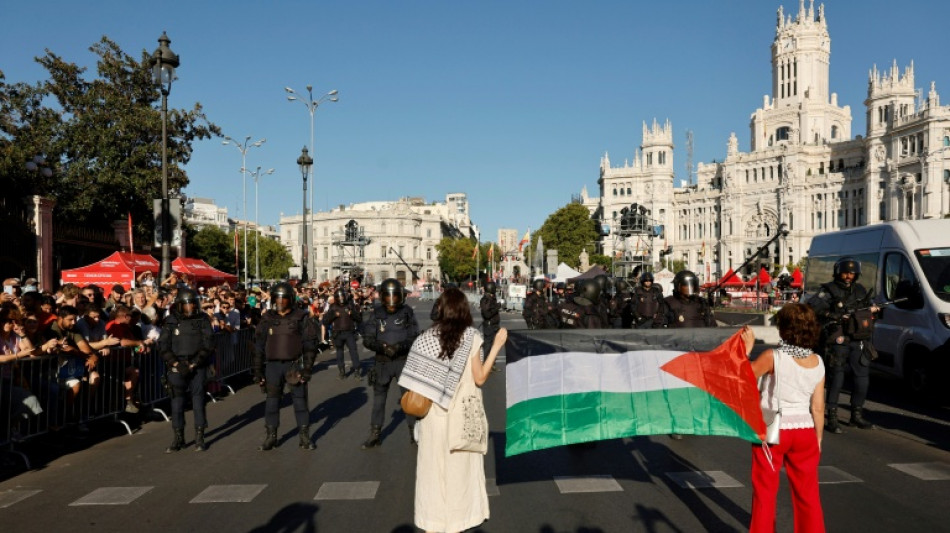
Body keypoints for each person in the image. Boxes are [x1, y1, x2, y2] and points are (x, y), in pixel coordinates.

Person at [398, 288, 506, 533]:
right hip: (461, 416)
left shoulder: (425, 339)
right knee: (460, 477)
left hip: (432, 417)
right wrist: (497, 346)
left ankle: (433, 525)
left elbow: (414, 379)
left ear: (441, 308)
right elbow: (480, 378)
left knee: (432, 475)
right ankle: (457, 525)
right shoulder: (471, 337)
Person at [742, 304, 826, 532]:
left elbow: (744, 378)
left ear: (785, 329)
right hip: (806, 431)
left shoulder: (773, 357)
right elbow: (818, 407)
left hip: (773, 431)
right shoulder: (818, 361)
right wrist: (818, 438)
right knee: (808, 495)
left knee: (765, 492)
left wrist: (747, 351)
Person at [807, 257, 879, 433]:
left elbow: (869, 308)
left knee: (862, 378)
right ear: (838, 273)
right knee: (837, 378)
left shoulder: (860, 290)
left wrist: (873, 310)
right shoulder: (828, 290)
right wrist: (834, 315)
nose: (848, 276)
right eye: (846, 273)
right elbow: (813, 308)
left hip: (858, 338)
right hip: (837, 339)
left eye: (852, 274)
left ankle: (856, 415)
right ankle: (832, 417)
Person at [253, 282, 319, 451]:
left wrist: (307, 369)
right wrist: (258, 371)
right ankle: (271, 436)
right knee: (272, 403)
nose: (280, 301)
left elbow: (310, 345)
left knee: (300, 402)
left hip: (293, 366)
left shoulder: (301, 317)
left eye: (284, 298)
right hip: (273, 367)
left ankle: (304, 437)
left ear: (290, 299)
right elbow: (259, 346)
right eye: (277, 298)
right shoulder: (267, 318)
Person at [360, 278, 420, 449]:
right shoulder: (377, 313)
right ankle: (375, 434)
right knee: (379, 401)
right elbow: (367, 339)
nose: (392, 299)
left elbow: (414, 336)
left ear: (401, 296)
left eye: (395, 296)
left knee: (408, 400)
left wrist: (400, 346)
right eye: (388, 296)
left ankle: (414, 433)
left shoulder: (407, 312)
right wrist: (382, 347)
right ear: (382, 297)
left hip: (402, 361)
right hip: (382, 362)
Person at [157, 289, 215, 452]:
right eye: (187, 304)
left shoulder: (202, 319)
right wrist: (175, 363)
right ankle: (178, 438)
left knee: (198, 401)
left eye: (192, 304)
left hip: (197, 365)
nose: (191, 307)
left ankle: (199, 437)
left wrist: (194, 363)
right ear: (180, 305)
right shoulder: (171, 321)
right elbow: (163, 345)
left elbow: (209, 343)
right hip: (177, 366)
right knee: (177, 403)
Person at [322, 287, 362, 380]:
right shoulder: (333, 307)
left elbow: (359, 319)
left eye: (342, 296)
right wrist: (333, 315)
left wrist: (352, 314)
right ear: (336, 298)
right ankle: (342, 372)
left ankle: (357, 371)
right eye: (339, 297)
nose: (341, 299)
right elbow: (325, 321)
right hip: (338, 333)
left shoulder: (350, 305)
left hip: (349, 332)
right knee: (339, 353)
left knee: (353, 351)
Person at [479, 282, 502, 370]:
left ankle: (491, 364)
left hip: (494, 325)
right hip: (489, 326)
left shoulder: (492, 298)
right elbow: (487, 314)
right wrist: (497, 306)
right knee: (487, 346)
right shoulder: (486, 300)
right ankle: (483, 365)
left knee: (493, 346)